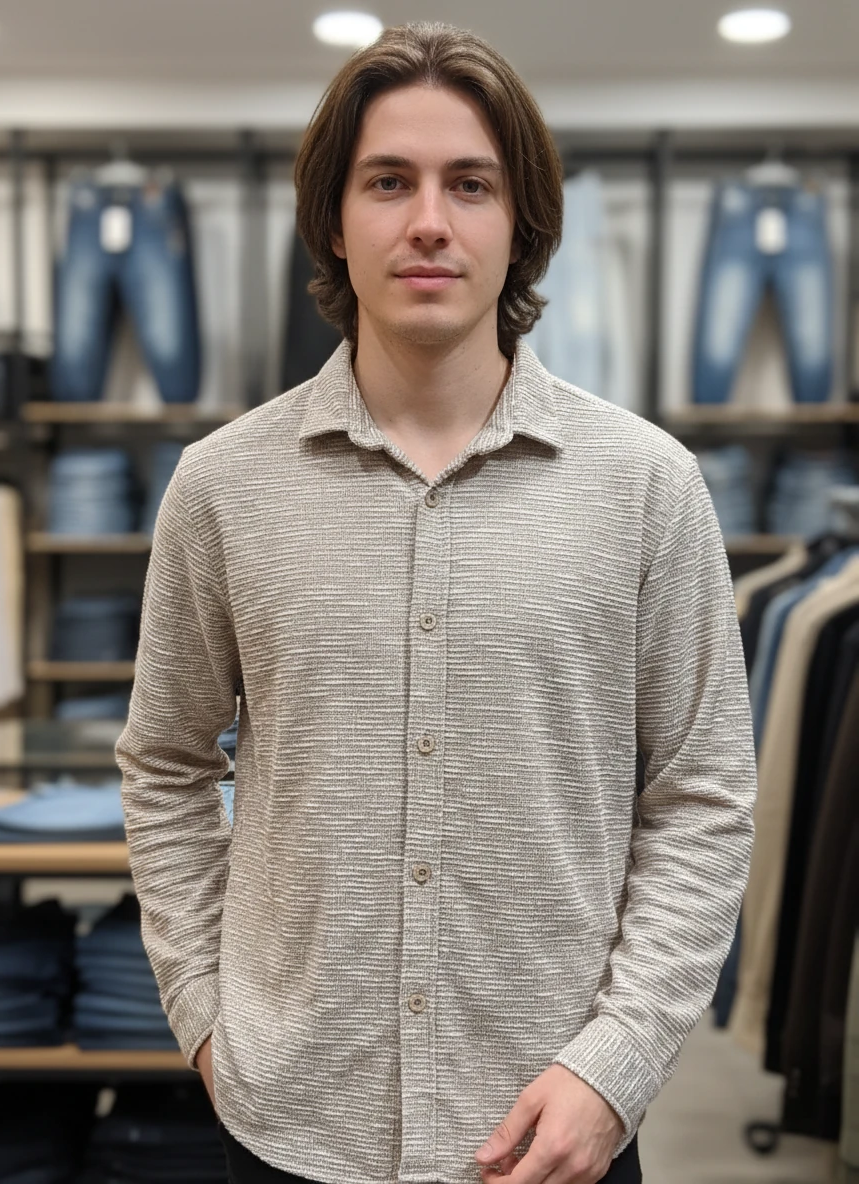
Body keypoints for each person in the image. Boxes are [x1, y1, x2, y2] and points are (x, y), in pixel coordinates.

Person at [115, 20, 757, 1184]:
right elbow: (164, 762)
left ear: (522, 222)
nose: (428, 221)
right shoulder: (221, 487)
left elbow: (703, 796)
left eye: (470, 183)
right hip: (287, 1127)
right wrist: (206, 1013)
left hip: (558, 1135)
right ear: (333, 219)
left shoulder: (647, 486)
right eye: (387, 182)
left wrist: (617, 1061)